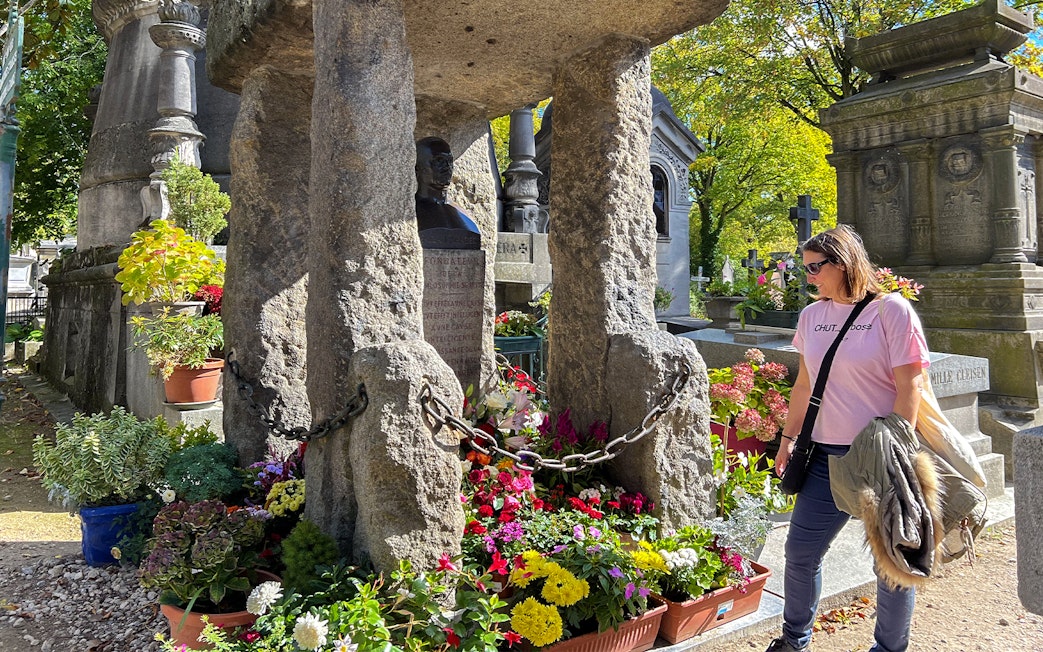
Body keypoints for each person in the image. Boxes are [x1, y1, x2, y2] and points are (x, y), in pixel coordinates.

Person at [767, 225, 930, 652]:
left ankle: (889, 648)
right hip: (822, 457)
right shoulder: (811, 317)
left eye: (816, 267)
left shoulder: (891, 311)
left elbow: (909, 386)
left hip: (877, 457)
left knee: (891, 562)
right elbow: (804, 384)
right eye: (805, 268)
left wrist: (897, 447)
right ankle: (794, 639)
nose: (809, 277)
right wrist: (788, 439)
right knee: (800, 554)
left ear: (844, 262)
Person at [415, 137, 481, 249]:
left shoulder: (462, 213)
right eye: (439, 161)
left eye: (449, 161)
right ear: (418, 168)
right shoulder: (413, 212)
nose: (447, 167)